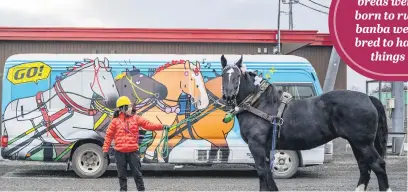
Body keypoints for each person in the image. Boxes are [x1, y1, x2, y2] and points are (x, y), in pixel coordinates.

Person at [102, 96, 169, 191]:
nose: (130, 108)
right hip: (119, 153)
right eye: (127, 106)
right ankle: (123, 190)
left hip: (133, 152)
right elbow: (108, 136)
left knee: (137, 174)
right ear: (122, 108)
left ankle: (141, 190)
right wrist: (105, 150)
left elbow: (149, 125)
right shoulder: (115, 121)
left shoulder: (136, 118)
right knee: (121, 175)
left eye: (130, 106)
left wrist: (162, 127)